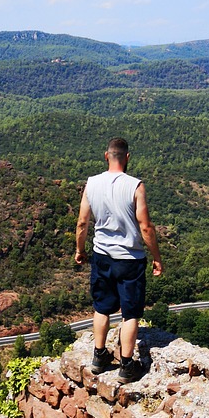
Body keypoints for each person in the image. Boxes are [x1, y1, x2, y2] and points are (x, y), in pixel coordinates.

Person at [75, 137, 163, 382]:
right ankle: (126, 365)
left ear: (106, 156)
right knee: (131, 312)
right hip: (130, 259)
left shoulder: (91, 183)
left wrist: (79, 250)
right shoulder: (135, 186)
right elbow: (146, 227)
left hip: (101, 255)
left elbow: (82, 222)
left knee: (101, 307)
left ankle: (99, 356)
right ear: (128, 157)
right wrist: (157, 258)